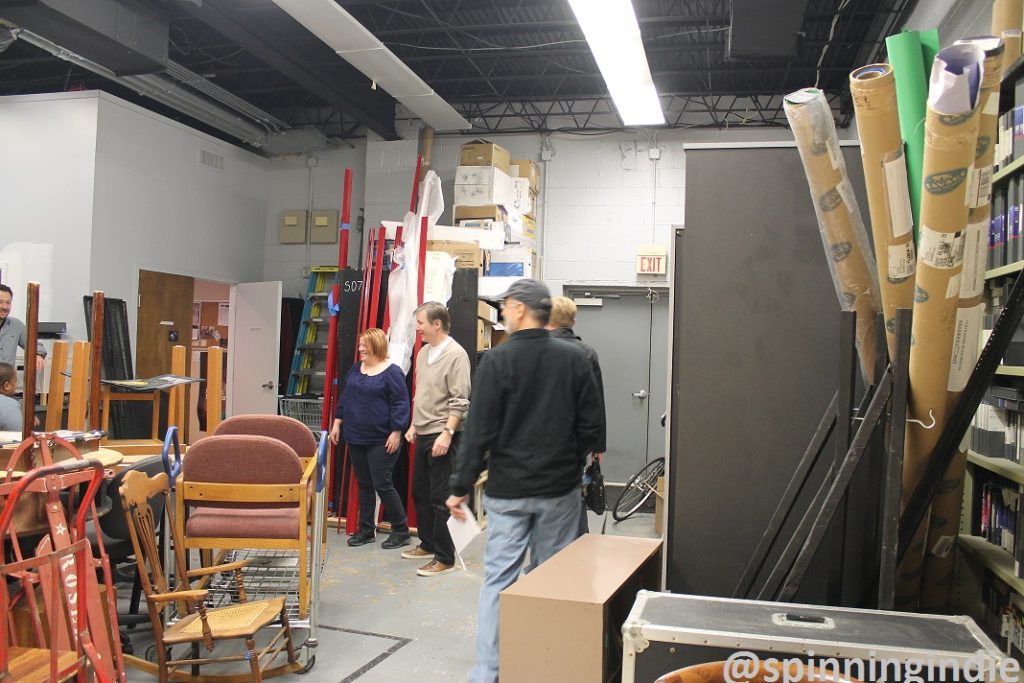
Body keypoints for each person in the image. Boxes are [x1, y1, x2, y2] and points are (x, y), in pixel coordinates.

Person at [446, 278, 603, 683]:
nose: (501, 313)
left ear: (519, 309)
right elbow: (592, 428)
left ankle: (487, 673)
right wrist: (571, 464)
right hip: (559, 492)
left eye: (504, 307)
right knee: (553, 580)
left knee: (499, 580)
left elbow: (478, 431)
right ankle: (548, 668)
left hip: (508, 492)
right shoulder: (575, 360)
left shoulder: (497, 362)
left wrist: (460, 486)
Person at [403, 302, 471, 577]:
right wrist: (413, 425)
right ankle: (428, 543)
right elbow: (421, 393)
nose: (417, 328)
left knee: (441, 497)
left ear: (436, 324)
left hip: (444, 434)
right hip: (423, 431)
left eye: (420, 323)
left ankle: (445, 557)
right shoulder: (423, 353)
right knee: (421, 492)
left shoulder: (456, 355)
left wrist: (448, 432)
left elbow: (461, 399)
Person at [330, 328, 412, 549]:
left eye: (364, 345)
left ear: (376, 345)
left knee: (383, 484)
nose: (360, 349)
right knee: (365, 485)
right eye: (360, 345)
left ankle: (401, 530)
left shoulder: (392, 372)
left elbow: (401, 404)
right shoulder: (357, 369)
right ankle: (366, 530)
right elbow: (346, 397)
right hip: (356, 436)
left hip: (382, 439)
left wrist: (397, 431)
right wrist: (338, 422)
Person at [546, 296, 607, 536]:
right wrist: (597, 446)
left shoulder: (534, 350)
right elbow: (596, 403)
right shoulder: (587, 353)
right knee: (572, 494)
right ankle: (578, 546)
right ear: (573, 320)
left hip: (536, 444)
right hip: (573, 444)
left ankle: (544, 560)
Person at [0, 284, 46, 372]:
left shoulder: (16, 325)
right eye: (0, 302)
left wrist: (37, 355)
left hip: (7, 383)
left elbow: (35, 345)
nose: (5, 307)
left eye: (8, 303)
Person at [0, 363, 21, 431]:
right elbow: (18, 436)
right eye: (15, 382)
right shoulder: (9, 405)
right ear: (7, 386)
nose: (16, 386)